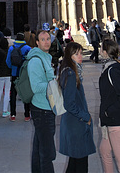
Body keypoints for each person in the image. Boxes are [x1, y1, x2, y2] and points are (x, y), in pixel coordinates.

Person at [58, 42, 96, 173]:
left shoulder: (70, 70)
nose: (80, 56)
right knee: (80, 164)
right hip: (76, 123)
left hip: (74, 122)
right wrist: (86, 117)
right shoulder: (71, 73)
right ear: (70, 56)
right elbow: (69, 103)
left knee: (74, 162)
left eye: (80, 53)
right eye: (76, 54)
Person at [99, 39, 120, 173]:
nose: (100, 51)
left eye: (101, 49)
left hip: (116, 121)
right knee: (104, 150)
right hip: (110, 120)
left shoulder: (113, 70)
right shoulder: (111, 67)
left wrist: (109, 112)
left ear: (106, 52)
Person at [27, 29, 56, 173]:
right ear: (37, 42)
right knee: (47, 153)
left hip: (46, 108)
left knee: (39, 148)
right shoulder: (36, 60)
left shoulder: (46, 57)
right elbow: (36, 86)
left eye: (48, 39)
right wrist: (56, 84)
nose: (46, 42)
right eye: (43, 39)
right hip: (42, 110)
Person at [6, 31, 31, 121]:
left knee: (13, 94)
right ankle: (27, 115)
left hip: (14, 73)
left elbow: (8, 61)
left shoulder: (11, 48)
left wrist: (12, 68)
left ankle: (13, 114)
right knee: (25, 94)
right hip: (24, 74)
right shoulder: (28, 48)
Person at [0, 36, 11, 117]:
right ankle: (5, 110)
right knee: (7, 91)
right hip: (8, 73)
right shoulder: (9, 51)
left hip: (0, 72)